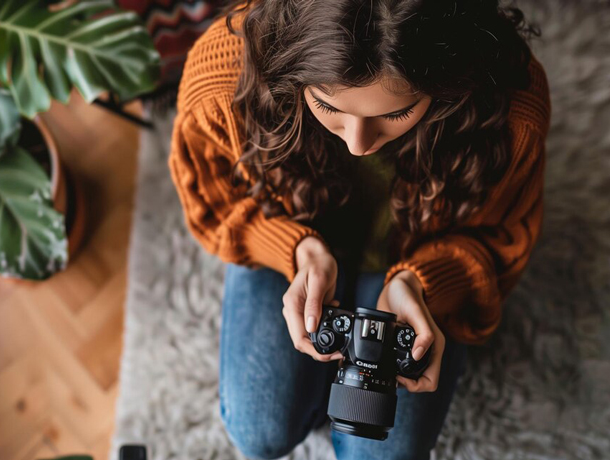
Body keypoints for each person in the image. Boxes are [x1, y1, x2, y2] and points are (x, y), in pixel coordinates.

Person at [168, 0, 551, 458]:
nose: (357, 143)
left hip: (418, 258)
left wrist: (423, 282)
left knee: (381, 452)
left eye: (395, 114)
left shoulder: (510, 108)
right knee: (260, 431)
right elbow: (215, 203)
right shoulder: (223, 78)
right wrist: (294, 249)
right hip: (287, 228)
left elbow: (499, 239)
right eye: (327, 105)